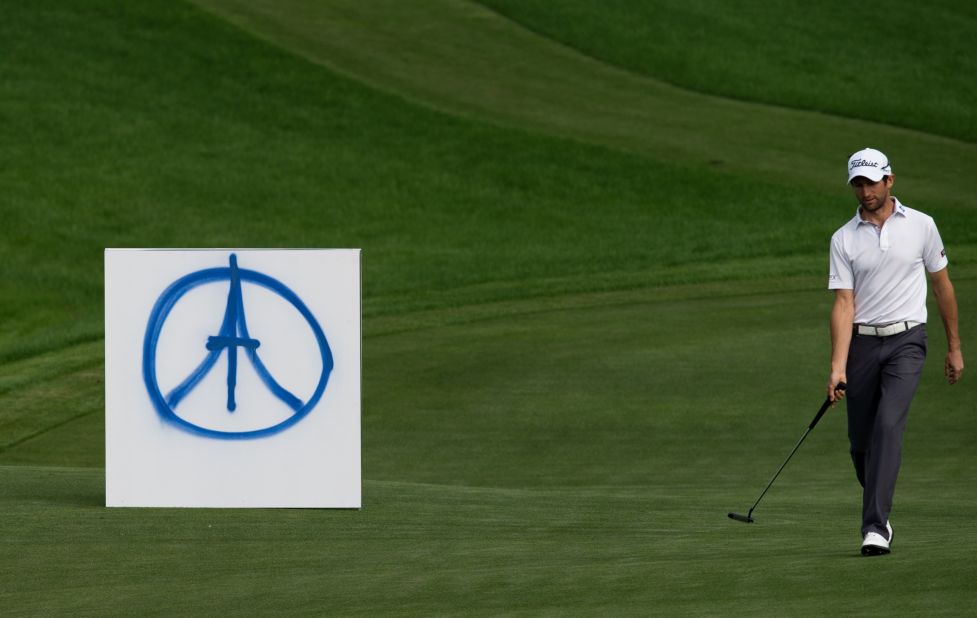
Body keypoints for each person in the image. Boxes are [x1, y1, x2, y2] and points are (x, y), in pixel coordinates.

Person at [826, 147, 964, 556]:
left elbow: (942, 287)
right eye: (857, 183)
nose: (864, 191)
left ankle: (874, 527)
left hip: (908, 340)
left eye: (871, 182)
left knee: (888, 426)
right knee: (860, 446)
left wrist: (954, 348)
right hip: (863, 345)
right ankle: (880, 507)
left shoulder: (922, 225)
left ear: (890, 180)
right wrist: (837, 367)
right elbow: (843, 305)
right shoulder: (843, 238)